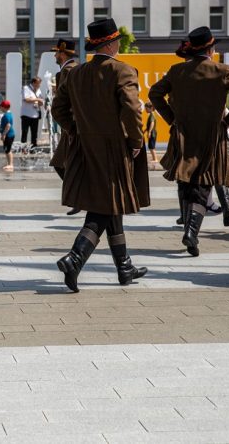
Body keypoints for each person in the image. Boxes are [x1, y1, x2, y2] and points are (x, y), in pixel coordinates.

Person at [51, 18, 149, 291]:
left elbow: (58, 110)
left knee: (109, 204)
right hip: (114, 149)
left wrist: (76, 131)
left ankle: (124, 267)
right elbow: (132, 109)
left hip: (85, 148)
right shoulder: (123, 71)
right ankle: (75, 258)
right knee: (104, 207)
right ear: (113, 43)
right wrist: (135, 141)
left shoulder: (76, 73)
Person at [148, 26, 229, 257]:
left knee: (185, 182)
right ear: (211, 49)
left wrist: (172, 118)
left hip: (183, 133)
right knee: (203, 184)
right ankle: (192, 233)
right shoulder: (221, 70)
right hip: (211, 135)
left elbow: (154, 94)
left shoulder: (177, 71)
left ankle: (188, 229)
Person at [48, 39, 80, 214]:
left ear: (63, 53)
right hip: (73, 123)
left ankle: (79, 198)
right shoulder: (75, 68)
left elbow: (65, 101)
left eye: (56, 52)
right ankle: (78, 198)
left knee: (61, 163)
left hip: (71, 124)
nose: (55, 55)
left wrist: (68, 125)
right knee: (64, 162)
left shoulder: (68, 70)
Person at [21, 76, 43, 147]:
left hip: (35, 115)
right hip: (26, 114)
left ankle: (33, 148)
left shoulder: (39, 90)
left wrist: (40, 102)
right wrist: (37, 99)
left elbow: (41, 102)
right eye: (38, 83)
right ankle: (23, 148)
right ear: (34, 83)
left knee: (34, 133)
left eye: (40, 84)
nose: (39, 85)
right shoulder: (26, 88)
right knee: (25, 132)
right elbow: (26, 99)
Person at [0, 100, 15, 172]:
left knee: (8, 150)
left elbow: (8, 125)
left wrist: (3, 135)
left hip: (8, 135)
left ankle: (10, 164)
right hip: (9, 134)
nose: (0, 108)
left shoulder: (6, 116)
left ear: (4, 107)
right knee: (7, 149)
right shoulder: (9, 114)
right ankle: (9, 163)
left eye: (1, 107)